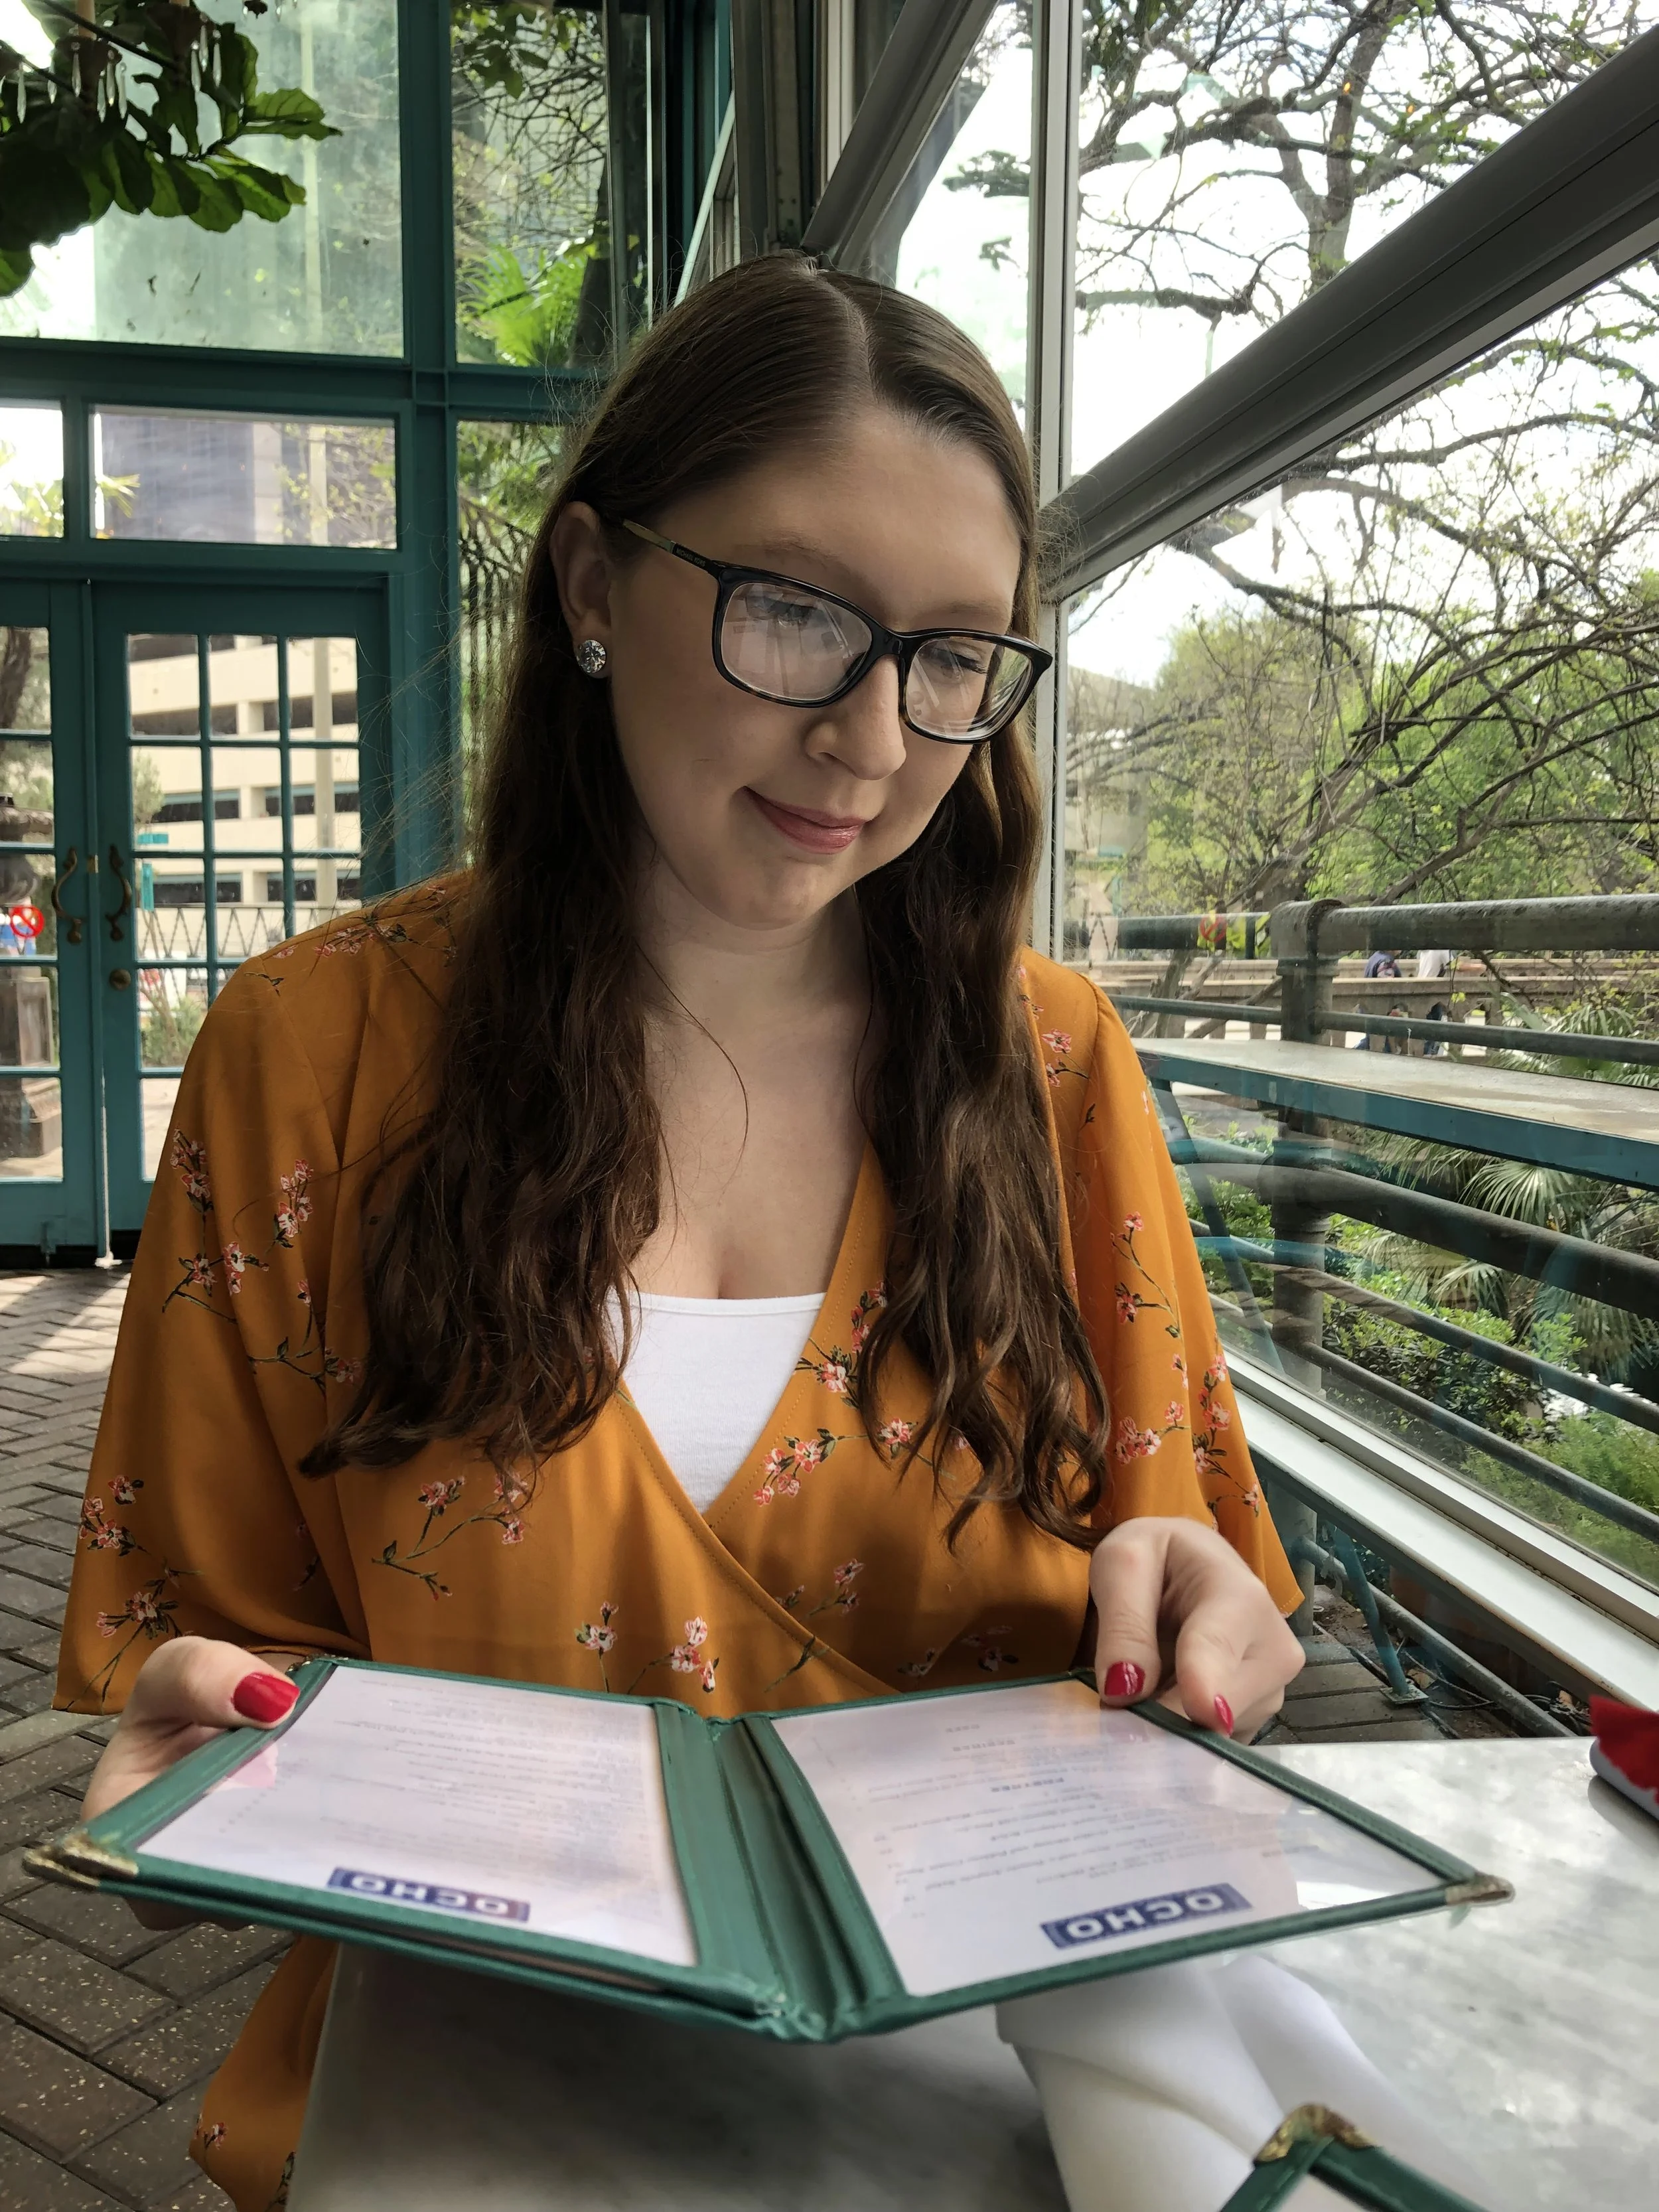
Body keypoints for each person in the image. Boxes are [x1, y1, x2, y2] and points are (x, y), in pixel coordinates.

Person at [56, 256, 1302, 2211]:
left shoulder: (1047, 1069)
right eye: (795, 614)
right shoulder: (313, 1056)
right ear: (586, 587)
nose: (875, 743)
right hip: (473, 2113)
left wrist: (1215, 1625)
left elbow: (1192, 1583)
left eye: (957, 654)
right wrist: (199, 1765)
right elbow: (223, 1653)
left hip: (1011, 2114)